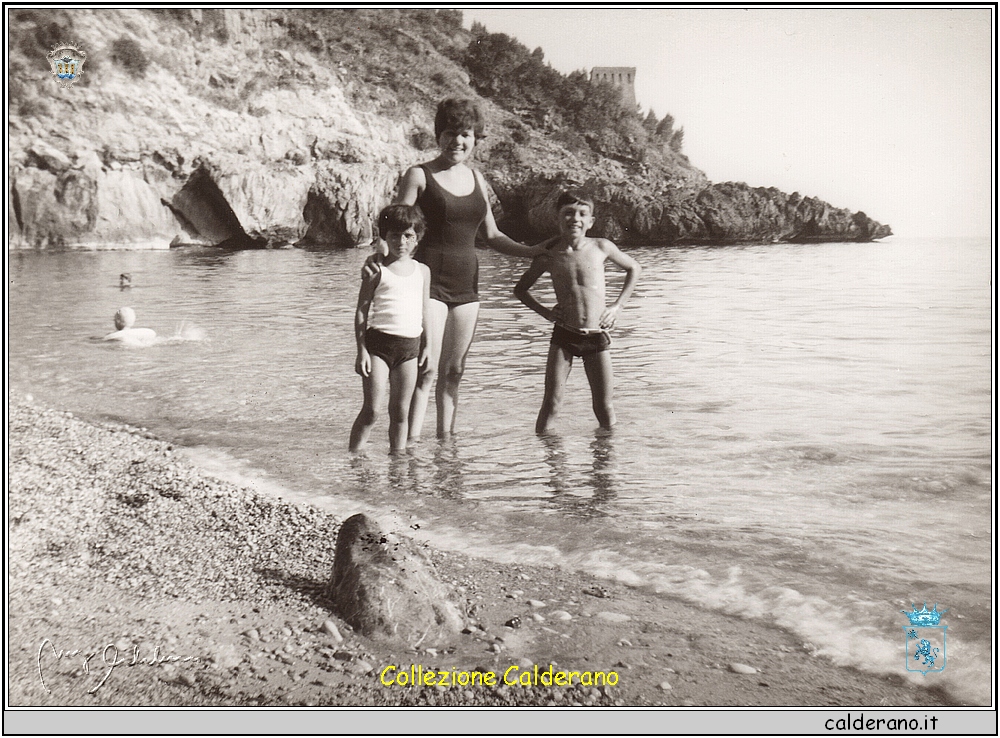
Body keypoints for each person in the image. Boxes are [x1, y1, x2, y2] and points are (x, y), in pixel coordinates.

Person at [388, 98, 540, 440]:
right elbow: (395, 225)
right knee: (427, 371)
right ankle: (409, 446)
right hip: (428, 283)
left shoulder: (476, 177)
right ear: (438, 135)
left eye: (466, 134)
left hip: (467, 286)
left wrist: (532, 252)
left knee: (454, 371)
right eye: (450, 133)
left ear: (475, 139)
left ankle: (446, 445)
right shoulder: (419, 175)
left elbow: (492, 235)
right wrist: (388, 274)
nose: (458, 141)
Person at [514, 190, 642, 434]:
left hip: (596, 336)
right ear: (557, 218)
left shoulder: (601, 247)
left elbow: (634, 268)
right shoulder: (549, 255)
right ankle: (548, 461)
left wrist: (617, 307)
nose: (575, 218)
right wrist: (546, 313)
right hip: (564, 335)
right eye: (568, 213)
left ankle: (605, 463)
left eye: (583, 214)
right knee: (551, 403)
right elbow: (520, 290)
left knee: (603, 406)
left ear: (591, 221)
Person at [349, 205, 432, 454]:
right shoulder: (377, 271)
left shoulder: (423, 271)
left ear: (417, 237)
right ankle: (354, 457)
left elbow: (424, 311)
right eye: (394, 235)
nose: (401, 242)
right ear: (385, 236)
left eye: (408, 235)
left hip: (410, 348)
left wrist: (428, 346)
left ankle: (398, 462)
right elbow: (362, 310)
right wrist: (361, 350)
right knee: (372, 410)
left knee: (400, 412)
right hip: (378, 347)